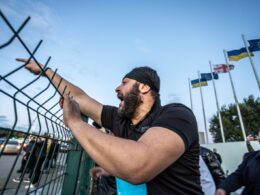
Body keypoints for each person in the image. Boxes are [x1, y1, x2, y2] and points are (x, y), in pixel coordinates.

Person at [19, 58, 203, 194]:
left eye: (124, 83)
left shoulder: (176, 115)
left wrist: (75, 122)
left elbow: (138, 166)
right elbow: (80, 98)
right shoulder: (120, 119)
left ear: (144, 88)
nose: (116, 88)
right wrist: (47, 71)